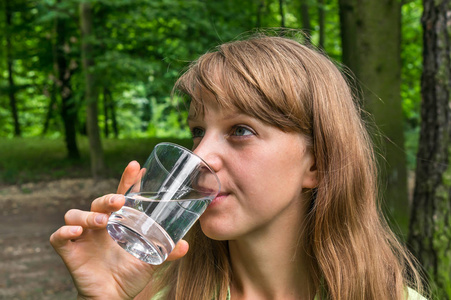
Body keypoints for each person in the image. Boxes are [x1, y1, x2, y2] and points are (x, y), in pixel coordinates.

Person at [50, 35, 426, 300]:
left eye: (240, 130)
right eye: (198, 131)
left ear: (317, 163)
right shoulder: (152, 291)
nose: (202, 157)